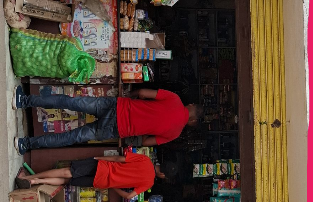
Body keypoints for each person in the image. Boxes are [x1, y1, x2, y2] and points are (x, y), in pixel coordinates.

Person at [14, 86, 202, 154]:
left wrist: (129, 96)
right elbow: (145, 142)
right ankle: (25, 143)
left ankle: (24, 101)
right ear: (193, 122)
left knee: (70, 102)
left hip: (116, 106)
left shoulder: (175, 99)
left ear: (191, 105)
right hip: (117, 129)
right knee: (71, 137)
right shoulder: (174, 134)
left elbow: (144, 93)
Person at [16, 153, 177, 201]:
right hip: (101, 182)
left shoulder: (145, 160)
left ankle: (31, 178)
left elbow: (119, 159)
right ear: (162, 175)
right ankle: (35, 182)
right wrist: (113, 186)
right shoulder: (148, 183)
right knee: (67, 180)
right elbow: (128, 196)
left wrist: (100, 158)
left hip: (102, 167)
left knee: (67, 171)